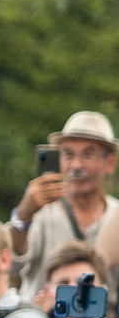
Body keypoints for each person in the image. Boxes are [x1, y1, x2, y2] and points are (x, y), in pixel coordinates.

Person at [12, 109, 118, 294]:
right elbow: (11, 267)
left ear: (110, 162)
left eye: (87, 154)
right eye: (68, 155)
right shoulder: (41, 213)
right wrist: (23, 215)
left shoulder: (115, 216)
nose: (76, 165)